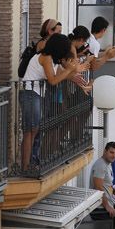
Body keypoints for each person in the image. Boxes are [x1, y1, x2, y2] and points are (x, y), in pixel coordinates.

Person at [19, 33, 87, 170]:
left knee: (35, 130)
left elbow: (63, 74)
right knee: (30, 130)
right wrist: (70, 69)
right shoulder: (46, 58)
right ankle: (25, 166)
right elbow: (53, 80)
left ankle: (31, 163)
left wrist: (78, 80)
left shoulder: (53, 60)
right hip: (30, 93)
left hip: (36, 94)